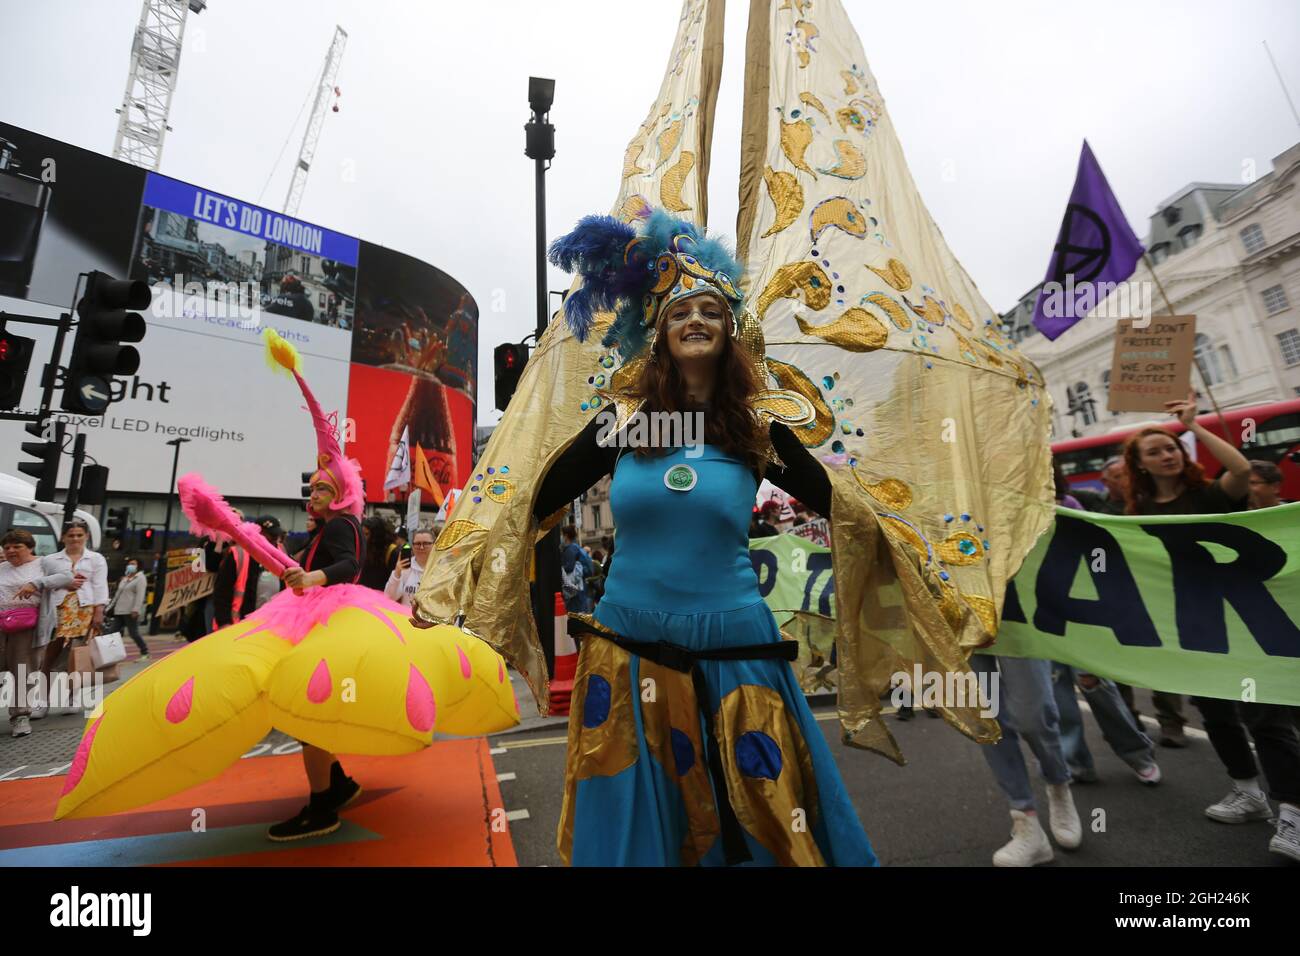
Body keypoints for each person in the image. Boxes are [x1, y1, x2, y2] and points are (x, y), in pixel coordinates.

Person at [531, 208, 877, 865]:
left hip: (736, 649)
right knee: (644, 832)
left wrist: (932, 539)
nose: (695, 321)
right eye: (680, 312)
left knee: (762, 820)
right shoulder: (627, 424)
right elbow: (538, 497)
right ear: (658, 334)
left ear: (730, 332)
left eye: (711, 311)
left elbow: (845, 506)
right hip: (630, 649)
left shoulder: (755, 429)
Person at [1128, 392, 1300, 863]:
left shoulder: (1208, 495)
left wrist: (1194, 426)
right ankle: (1247, 792)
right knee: (1216, 712)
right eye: (1155, 451)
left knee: (1266, 716)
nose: (1167, 455)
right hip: (1195, 624)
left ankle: (1294, 813)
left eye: (1171, 448)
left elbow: (1242, 472)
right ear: (1140, 465)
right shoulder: (1137, 514)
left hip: (1247, 618)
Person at [2, 529, 75, 737]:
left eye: (17, 546)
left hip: (28, 627)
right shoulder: (2, 567)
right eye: (7, 547)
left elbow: (66, 577)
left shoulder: (44, 563)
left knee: (23, 672)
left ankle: (20, 716)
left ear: (30, 547)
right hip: (1, 624)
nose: (11, 551)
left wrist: (36, 583)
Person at [33, 520, 108, 716]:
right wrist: (64, 583)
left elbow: (100, 586)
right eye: (71, 535)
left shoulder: (96, 559)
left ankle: (72, 698)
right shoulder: (50, 560)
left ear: (86, 537)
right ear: (63, 537)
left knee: (78, 657)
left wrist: (99, 610)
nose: (75, 539)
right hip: (56, 610)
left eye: (79, 535)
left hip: (84, 611)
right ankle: (42, 701)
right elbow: (42, 584)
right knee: (48, 657)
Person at [212, 516, 283, 629]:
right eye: (268, 536)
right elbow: (221, 591)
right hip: (241, 622)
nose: (273, 539)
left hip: (272, 623)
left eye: (275, 535)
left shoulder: (281, 551)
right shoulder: (238, 553)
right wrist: (224, 622)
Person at [106, 555, 149, 660]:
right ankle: (111, 654)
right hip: (119, 610)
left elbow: (140, 595)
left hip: (130, 611)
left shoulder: (140, 578)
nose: (130, 566)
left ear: (138, 566)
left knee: (133, 633)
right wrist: (109, 607)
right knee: (112, 633)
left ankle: (145, 652)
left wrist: (136, 609)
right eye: (129, 564)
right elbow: (117, 595)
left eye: (133, 564)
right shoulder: (125, 579)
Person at [385, 527, 433, 607]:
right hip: (405, 618)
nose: (421, 547)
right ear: (412, 546)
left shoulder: (441, 569)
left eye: (426, 543)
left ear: (433, 545)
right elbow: (389, 597)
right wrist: (397, 573)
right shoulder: (404, 568)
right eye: (417, 544)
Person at [559, 524, 594, 614]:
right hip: (579, 586)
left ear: (566, 536)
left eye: (561, 534)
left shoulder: (570, 549)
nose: (561, 537)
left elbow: (569, 568)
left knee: (574, 614)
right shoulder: (576, 547)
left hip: (574, 589)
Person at [358, 515, 398, 591]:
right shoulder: (363, 548)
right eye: (361, 534)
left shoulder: (392, 552)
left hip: (383, 599)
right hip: (363, 596)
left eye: (366, 534)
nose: (363, 538)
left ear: (377, 536)